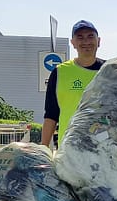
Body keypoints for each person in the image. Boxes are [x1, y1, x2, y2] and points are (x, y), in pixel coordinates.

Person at [41, 20, 105, 148]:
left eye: (90, 36)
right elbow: (51, 115)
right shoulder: (60, 72)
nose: (86, 41)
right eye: (80, 37)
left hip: (103, 148)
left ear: (98, 41)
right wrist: (43, 148)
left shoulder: (109, 71)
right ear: (73, 43)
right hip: (69, 149)